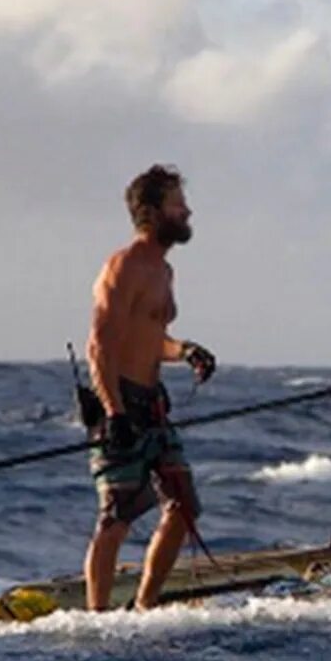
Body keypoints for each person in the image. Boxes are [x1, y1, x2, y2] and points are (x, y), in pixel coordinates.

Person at [83, 164, 217, 612]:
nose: (188, 211)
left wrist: (185, 350)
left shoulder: (164, 271)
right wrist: (114, 413)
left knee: (183, 507)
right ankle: (98, 619)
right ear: (154, 212)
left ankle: (144, 607)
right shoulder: (123, 266)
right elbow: (99, 345)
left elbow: (148, 339)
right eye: (178, 205)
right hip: (118, 405)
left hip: (153, 407)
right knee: (116, 518)